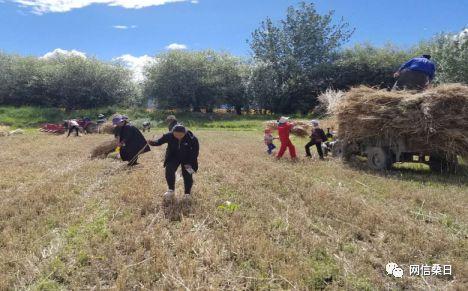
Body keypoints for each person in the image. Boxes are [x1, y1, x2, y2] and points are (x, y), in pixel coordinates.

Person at [148, 124, 199, 203]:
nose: (178, 136)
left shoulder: (192, 138)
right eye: (176, 135)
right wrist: (152, 142)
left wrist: (190, 163)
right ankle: (171, 190)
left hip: (187, 159)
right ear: (173, 132)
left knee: (188, 174)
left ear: (185, 133)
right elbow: (159, 141)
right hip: (173, 157)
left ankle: (187, 194)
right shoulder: (169, 135)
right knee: (169, 169)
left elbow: (195, 152)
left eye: (180, 135)